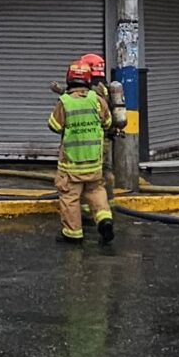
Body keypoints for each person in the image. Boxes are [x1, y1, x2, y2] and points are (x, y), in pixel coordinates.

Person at [48, 58, 116, 245]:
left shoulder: (65, 102)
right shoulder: (97, 100)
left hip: (71, 163)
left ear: (69, 79)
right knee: (96, 191)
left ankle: (73, 233)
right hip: (94, 161)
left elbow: (54, 125)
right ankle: (104, 219)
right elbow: (108, 122)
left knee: (69, 196)